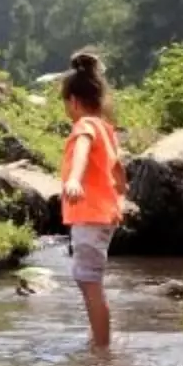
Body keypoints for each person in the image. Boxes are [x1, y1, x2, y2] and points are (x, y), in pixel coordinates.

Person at [60, 53, 128, 349]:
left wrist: (74, 179)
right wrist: (122, 196)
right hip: (104, 215)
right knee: (91, 281)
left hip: (89, 215)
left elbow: (82, 152)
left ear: (73, 101)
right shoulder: (106, 129)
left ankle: (101, 349)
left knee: (90, 282)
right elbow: (118, 168)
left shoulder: (85, 126)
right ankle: (98, 338)